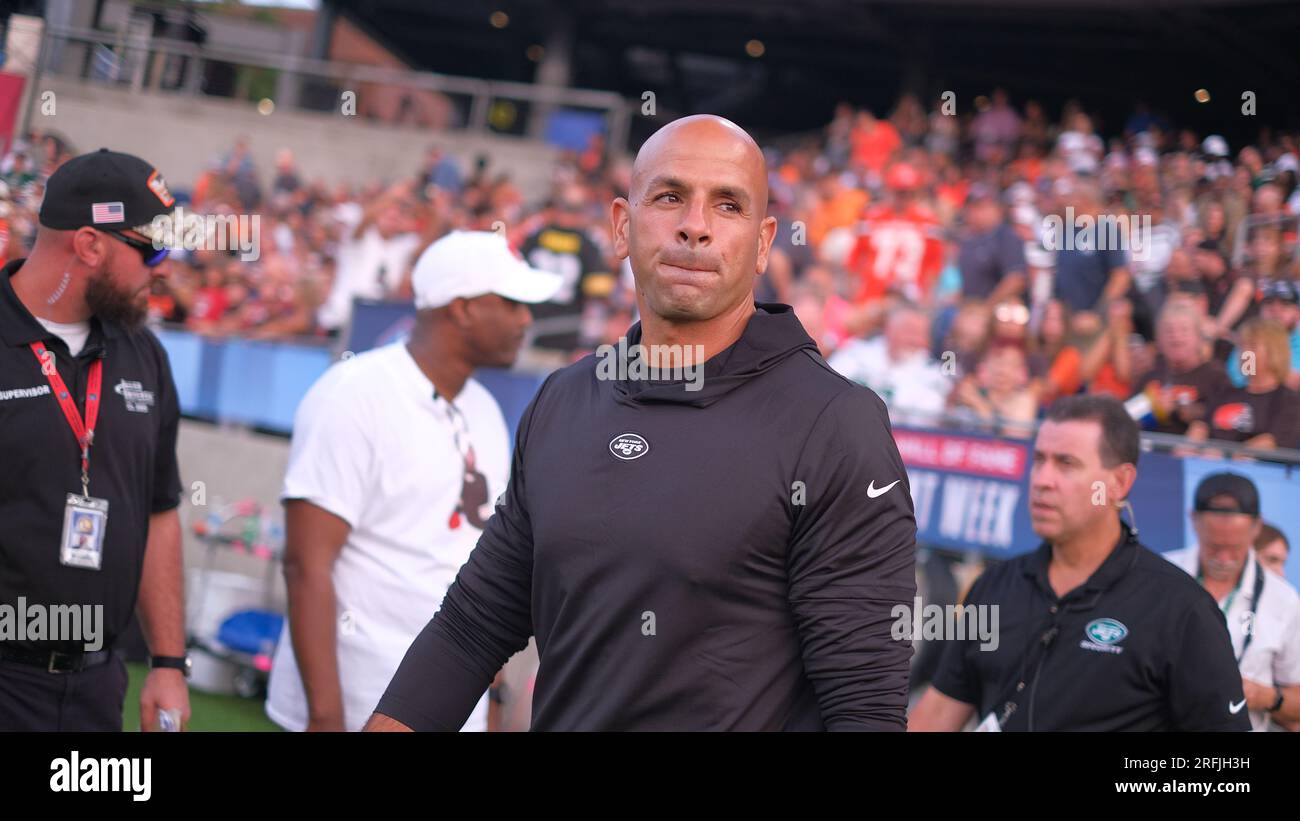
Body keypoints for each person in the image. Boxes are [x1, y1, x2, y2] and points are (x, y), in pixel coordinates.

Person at [367, 114, 917, 731]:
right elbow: (472, 626)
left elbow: (864, 707)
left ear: (764, 244)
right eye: (671, 196)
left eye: (728, 206)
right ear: (623, 227)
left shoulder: (835, 425)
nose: (696, 226)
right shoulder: (564, 400)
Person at [266, 231, 561, 732]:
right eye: (512, 304)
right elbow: (304, 564)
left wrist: (489, 703)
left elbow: (485, 579)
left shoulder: (486, 410)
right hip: (360, 700)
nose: (526, 320)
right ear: (462, 309)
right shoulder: (354, 393)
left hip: (449, 705)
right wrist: (326, 717)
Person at [909, 395, 1250, 731]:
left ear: (1119, 483)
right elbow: (937, 715)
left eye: (1066, 464)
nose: (1043, 480)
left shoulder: (1181, 610)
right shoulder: (995, 586)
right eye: (1039, 460)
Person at [0, 148, 190, 731]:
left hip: (95, 686)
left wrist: (168, 662)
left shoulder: (145, 355)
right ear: (89, 245)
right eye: (152, 249)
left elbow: (159, 511)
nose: (163, 268)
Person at [1163, 473, 1300, 731]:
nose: (1224, 559)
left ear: (1256, 528)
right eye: (1214, 546)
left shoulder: (1283, 599)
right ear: (1193, 520)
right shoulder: (1157, 577)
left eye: (1235, 548)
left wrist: (1267, 696)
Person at [1190, 319, 1300, 451]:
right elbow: (1201, 427)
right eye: (1242, 346)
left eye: (1252, 346)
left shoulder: (1288, 400)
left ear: (1274, 352)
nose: (1244, 353)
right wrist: (1190, 446)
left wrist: (1226, 457)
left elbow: (1271, 442)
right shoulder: (1226, 392)